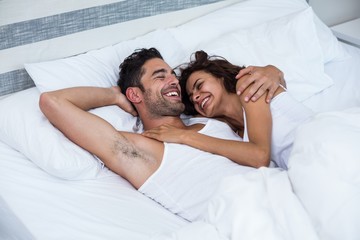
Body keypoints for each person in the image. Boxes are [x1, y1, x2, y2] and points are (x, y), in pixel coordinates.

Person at [39, 48, 284, 221]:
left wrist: (274, 71)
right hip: (249, 215)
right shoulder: (140, 148)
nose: (174, 81)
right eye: (160, 76)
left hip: (284, 188)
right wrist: (113, 95)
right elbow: (53, 101)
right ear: (135, 95)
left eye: (172, 75)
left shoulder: (211, 118)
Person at [142, 50, 314, 169]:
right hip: (305, 165)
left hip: (322, 143)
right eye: (192, 97)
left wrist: (185, 137)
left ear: (220, 77)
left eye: (199, 85)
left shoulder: (248, 85)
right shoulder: (233, 129)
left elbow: (260, 156)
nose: (195, 97)